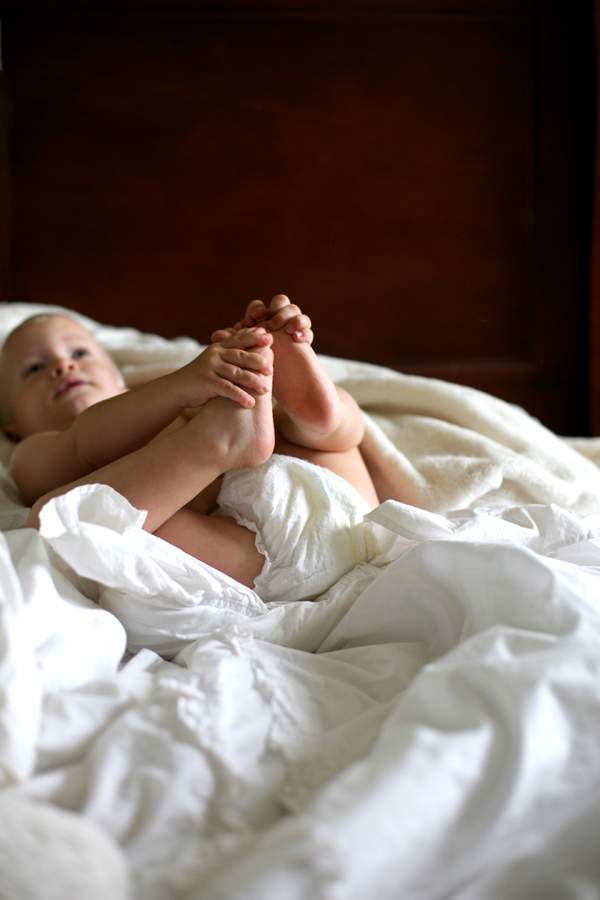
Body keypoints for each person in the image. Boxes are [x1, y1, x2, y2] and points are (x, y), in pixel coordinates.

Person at [0, 295, 380, 597]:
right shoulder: (32, 449)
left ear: (121, 382)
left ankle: (318, 416)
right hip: (254, 556)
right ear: (12, 429)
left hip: (345, 512)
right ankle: (224, 441)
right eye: (34, 369)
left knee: (298, 425)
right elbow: (81, 446)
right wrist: (182, 384)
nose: (62, 366)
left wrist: (233, 374)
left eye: (80, 354)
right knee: (61, 522)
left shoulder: (180, 401)